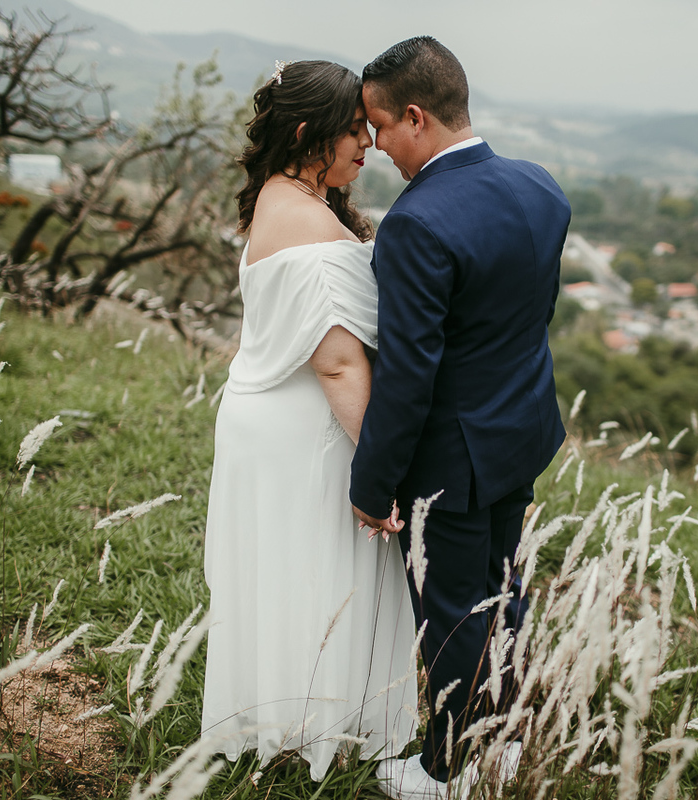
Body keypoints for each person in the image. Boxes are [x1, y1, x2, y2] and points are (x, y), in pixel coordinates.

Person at [349, 37, 572, 800]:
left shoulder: (417, 222)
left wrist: (372, 483)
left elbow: (408, 377)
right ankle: (504, 743)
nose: (377, 146)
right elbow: (529, 319)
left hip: (452, 458)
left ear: (416, 117)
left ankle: (446, 771)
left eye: (381, 127)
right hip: (522, 434)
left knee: (451, 614)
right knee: (503, 592)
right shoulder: (539, 186)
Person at [202, 59, 419, 782]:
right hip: (308, 431)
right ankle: (315, 735)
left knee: (284, 576)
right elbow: (339, 367)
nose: (367, 145)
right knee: (318, 578)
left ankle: (284, 723)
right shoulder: (312, 227)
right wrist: (382, 469)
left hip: (262, 418)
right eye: (352, 131)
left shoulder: (279, 195)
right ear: (305, 133)